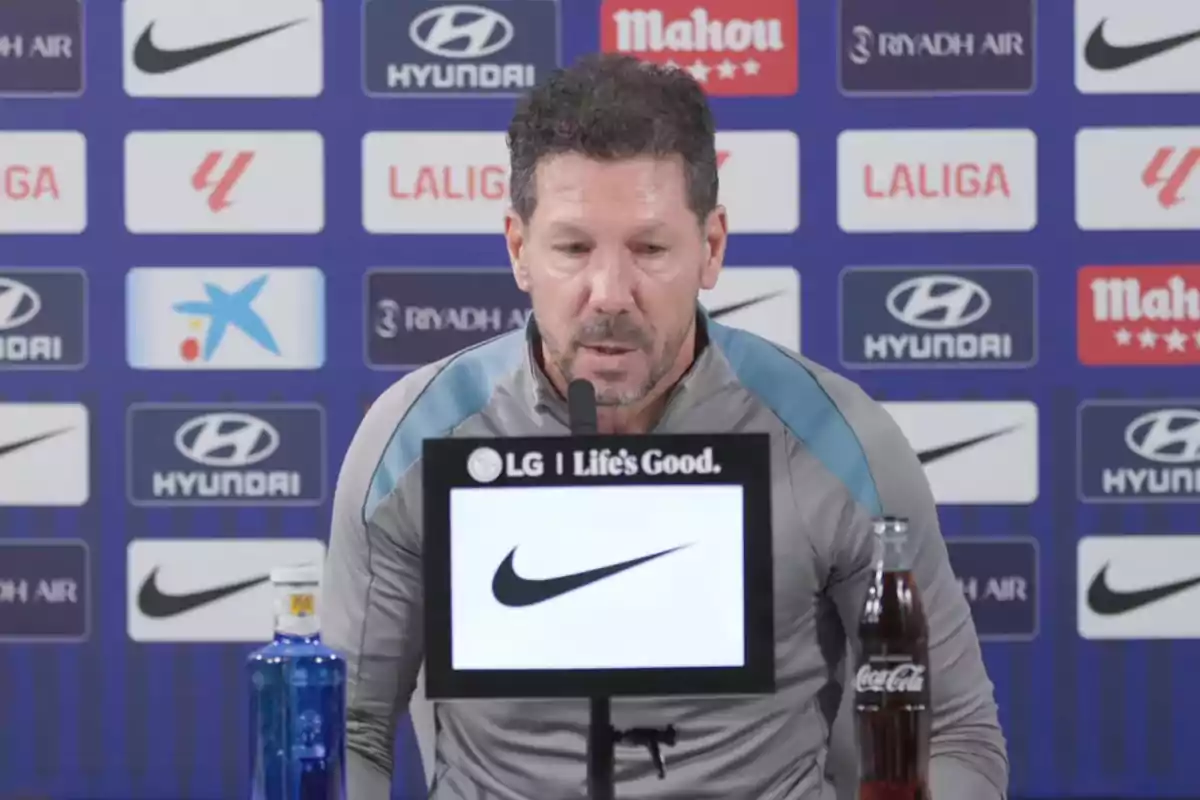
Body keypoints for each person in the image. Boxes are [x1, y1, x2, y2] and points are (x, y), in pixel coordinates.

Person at [322, 53, 1009, 799]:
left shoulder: (837, 441)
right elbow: (347, 730)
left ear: (710, 248)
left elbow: (952, 735)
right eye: (573, 248)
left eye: (649, 248)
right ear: (520, 250)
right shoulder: (415, 442)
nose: (609, 293)